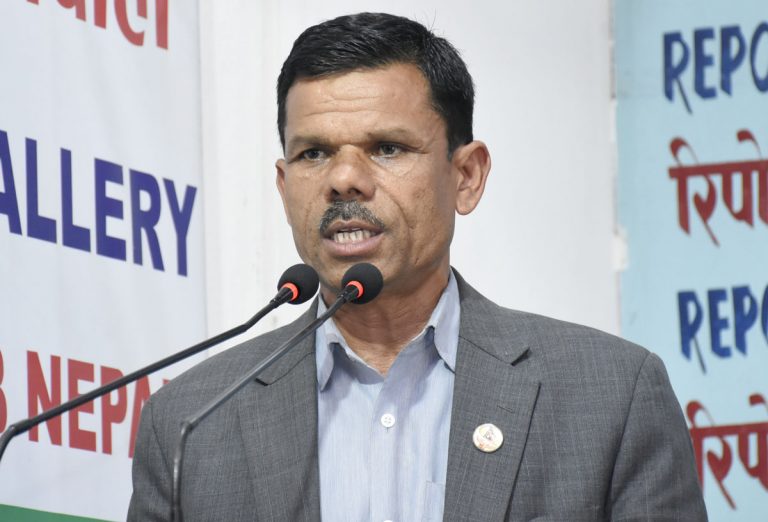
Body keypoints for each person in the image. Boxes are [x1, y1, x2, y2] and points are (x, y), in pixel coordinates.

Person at [128, 12, 707, 521]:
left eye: (387, 148)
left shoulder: (610, 396)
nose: (344, 179)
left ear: (466, 176)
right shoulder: (190, 423)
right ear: (283, 187)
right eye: (314, 153)